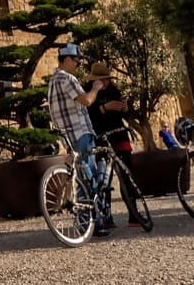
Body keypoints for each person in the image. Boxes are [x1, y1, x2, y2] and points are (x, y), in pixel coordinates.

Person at [47, 43, 113, 236]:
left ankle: (95, 221)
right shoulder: (67, 78)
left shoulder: (53, 81)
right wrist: (96, 88)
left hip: (68, 135)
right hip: (80, 133)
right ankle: (89, 223)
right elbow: (86, 100)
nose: (78, 65)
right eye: (77, 61)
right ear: (67, 60)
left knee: (83, 176)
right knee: (86, 179)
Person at [87, 61, 144, 228]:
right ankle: (106, 215)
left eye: (106, 79)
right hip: (101, 138)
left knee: (127, 175)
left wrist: (125, 109)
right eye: (102, 79)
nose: (105, 82)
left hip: (119, 134)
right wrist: (104, 108)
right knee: (104, 178)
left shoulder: (114, 91)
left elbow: (126, 114)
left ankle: (134, 214)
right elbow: (89, 114)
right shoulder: (89, 92)